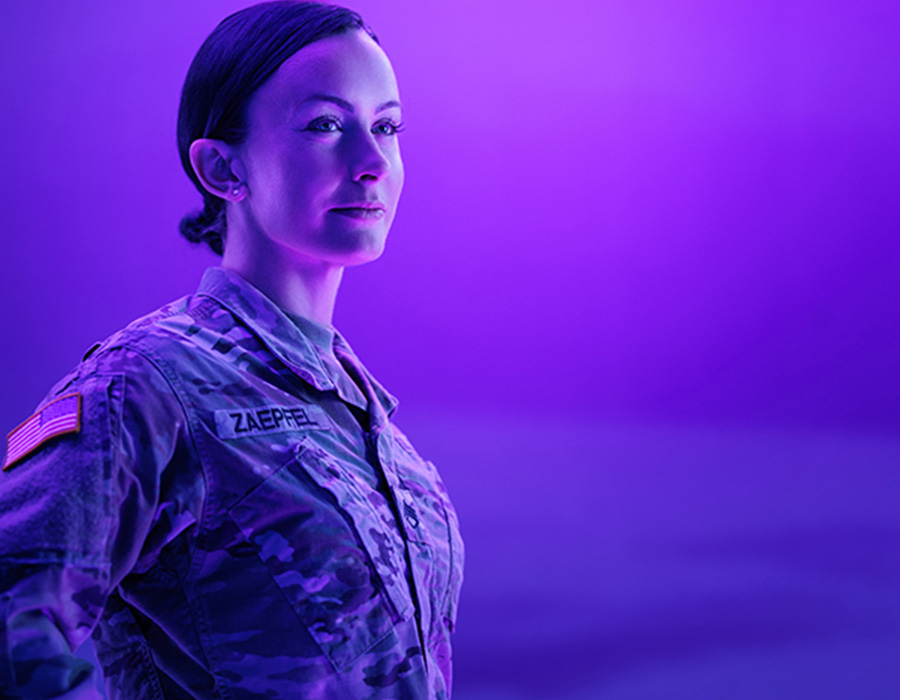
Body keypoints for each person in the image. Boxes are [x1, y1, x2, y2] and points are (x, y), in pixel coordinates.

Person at [0, 2, 464, 698]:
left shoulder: (369, 422)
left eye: (387, 127)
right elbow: (13, 616)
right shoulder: (149, 385)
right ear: (222, 167)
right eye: (325, 125)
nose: (371, 162)